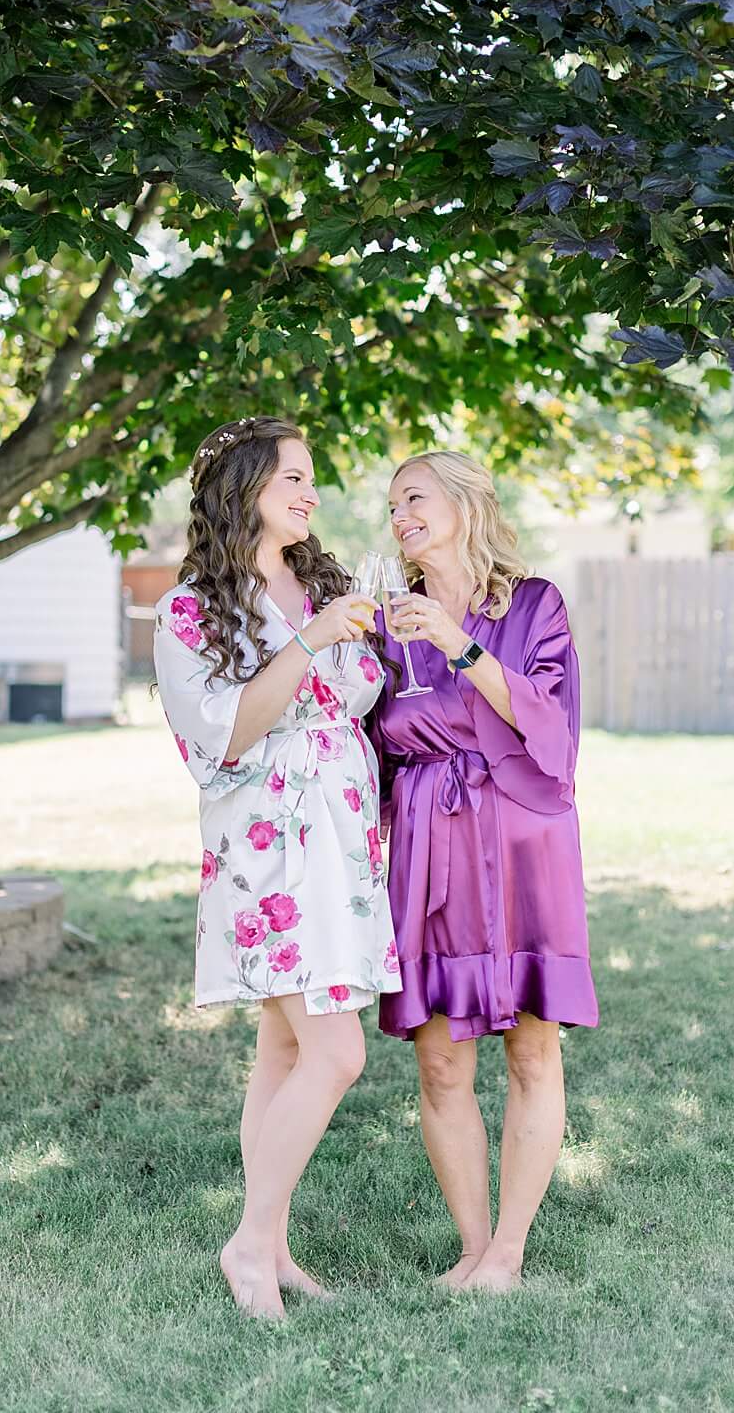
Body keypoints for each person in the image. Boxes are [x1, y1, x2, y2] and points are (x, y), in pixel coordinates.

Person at [153, 415, 397, 1317]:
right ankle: (249, 1246)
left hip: (340, 843)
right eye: (293, 476)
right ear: (245, 488)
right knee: (337, 1052)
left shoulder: (321, 582)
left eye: (312, 478)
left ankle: (277, 1242)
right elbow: (223, 732)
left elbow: (363, 694)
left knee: (284, 1048)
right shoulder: (190, 611)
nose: (311, 492)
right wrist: (313, 638)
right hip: (267, 851)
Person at [367, 450, 597, 1290]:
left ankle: (511, 1247)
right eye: (392, 507)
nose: (400, 517)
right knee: (440, 1060)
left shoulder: (536, 605)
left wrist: (462, 647)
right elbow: (375, 733)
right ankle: (472, 1247)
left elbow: (549, 725)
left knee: (533, 1052)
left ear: (464, 504)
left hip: (523, 840)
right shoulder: (386, 622)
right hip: (432, 842)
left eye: (414, 498)